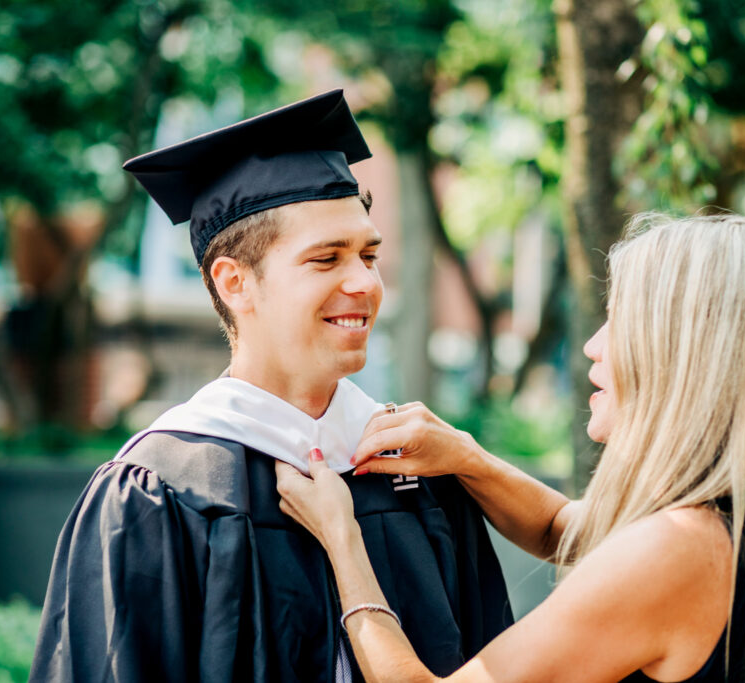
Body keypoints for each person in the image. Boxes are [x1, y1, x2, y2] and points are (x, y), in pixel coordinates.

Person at [30, 90, 512, 683]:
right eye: (326, 259)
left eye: (369, 254)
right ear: (235, 282)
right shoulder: (160, 490)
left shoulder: (418, 471)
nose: (364, 282)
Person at [277, 213, 745, 682]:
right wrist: (466, 457)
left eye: (620, 323)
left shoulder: (676, 551)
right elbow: (561, 529)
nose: (593, 346)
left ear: (679, 357)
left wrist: (341, 539)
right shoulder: (739, 522)